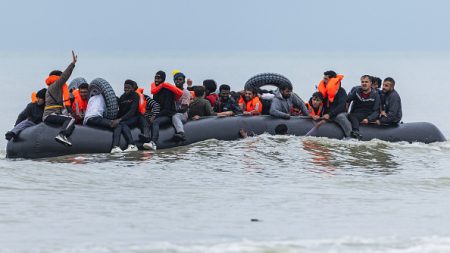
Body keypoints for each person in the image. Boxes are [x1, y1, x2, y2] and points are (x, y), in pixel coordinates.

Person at [42, 51, 77, 146]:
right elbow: (64, 76)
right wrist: (72, 64)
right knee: (70, 120)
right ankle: (62, 135)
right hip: (50, 114)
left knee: (68, 118)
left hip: (53, 113)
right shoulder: (55, 85)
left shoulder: (52, 89)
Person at [146, 71, 183, 150]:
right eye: (155, 78)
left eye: (159, 78)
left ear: (163, 79)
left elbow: (167, 110)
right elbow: (155, 106)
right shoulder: (156, 91)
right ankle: (146, 137)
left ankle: (153, 143)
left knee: (155, 122)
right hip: (159, 114)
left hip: (168, 115)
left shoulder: (167, 91)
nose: (156, 80)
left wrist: (155, 116)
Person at [114, 79, 149, 152]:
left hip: (135, 117)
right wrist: (114, 120)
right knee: (121, 124)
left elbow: (132, 111)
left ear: (132, 88)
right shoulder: (122, 97)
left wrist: (120, 119)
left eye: (128, 88)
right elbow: (120, 111)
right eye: (125, 87)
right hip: (127, 119)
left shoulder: (135, 95)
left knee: (123, 123)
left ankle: (132, 144)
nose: (126, 89)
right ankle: (118, 145)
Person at [317, 70, 351, 137]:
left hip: (339, 113)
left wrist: (329, 115)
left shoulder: (341, 91)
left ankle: (350, 136)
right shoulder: (324, 91)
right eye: (324, 78)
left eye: (326, 79)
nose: (324, 81)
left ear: (331, 80)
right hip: (328, 115)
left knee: (340, 117)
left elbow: (342, 106)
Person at [346, 75, 381, 139]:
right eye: (362, 82)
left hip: (367, 114)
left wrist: (368, 119)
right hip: (356, 113)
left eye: (366, 82)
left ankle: (356, 132)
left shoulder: (375, 95)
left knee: (353, 116)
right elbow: (347, 100)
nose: (364, 83)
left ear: (370, 83)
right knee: (350, 115)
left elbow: (376, 111)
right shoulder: (357, 91)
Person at [172, 71, 191, 141]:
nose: (178, 81)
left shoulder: (186, 93)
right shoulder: (171, 91)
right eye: (176, 79)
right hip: (171, 112)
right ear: (174, 81)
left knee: (175, 116)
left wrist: (173, 111)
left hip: (182, 115)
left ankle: (181, 133)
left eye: (180, 79)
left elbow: (184, 109)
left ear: (183, 81)